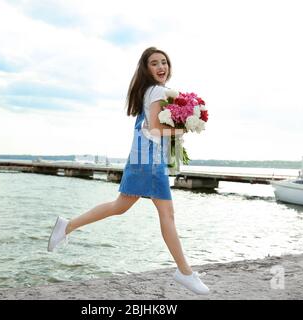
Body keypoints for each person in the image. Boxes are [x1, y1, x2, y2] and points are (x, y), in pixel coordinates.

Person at [47, 47, 210, 295]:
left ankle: (67, 226)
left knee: (120, 206)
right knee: (165, 215)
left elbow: (148, 127)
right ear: (146, 69)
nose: (161, 67)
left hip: (143, 159)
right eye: (154, 63)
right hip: (149, 163)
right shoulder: (155, 91)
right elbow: (155, 129)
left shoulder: (149, 91)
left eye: (164, 62)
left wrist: (178, 124)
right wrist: (181, 130)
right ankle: (185, 272)